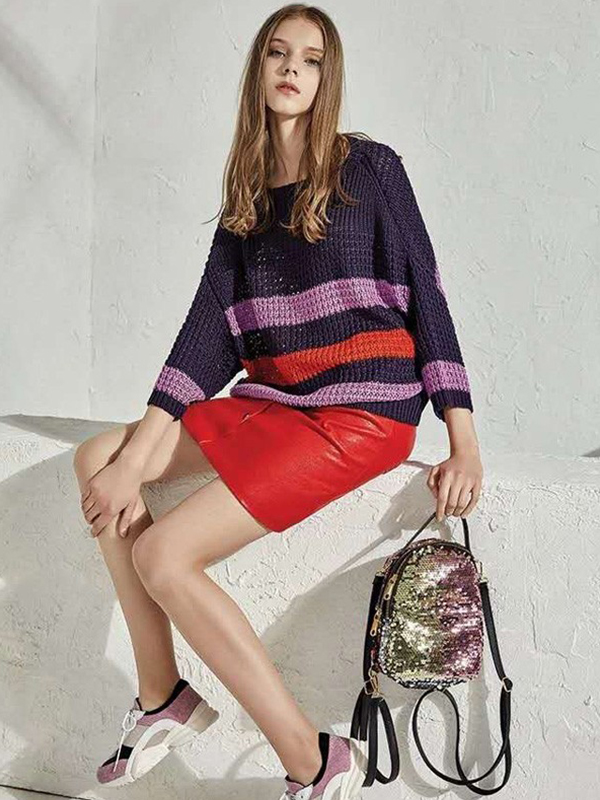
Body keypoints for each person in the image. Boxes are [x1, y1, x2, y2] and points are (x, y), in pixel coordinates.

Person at [73, 4, 483, 798]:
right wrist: (137, 455)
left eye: (312, 58)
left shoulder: (369, 170)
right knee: (98, 458)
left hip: (364, 413)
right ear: (259, 69)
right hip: (282, 403)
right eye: (278, 53)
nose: (293, 68)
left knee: (164, 555)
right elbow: (205, 336)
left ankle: (313, 760)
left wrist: (462, 439)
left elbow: (427, 296)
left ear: (328, 78)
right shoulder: (249, 195)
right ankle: (161, 695)